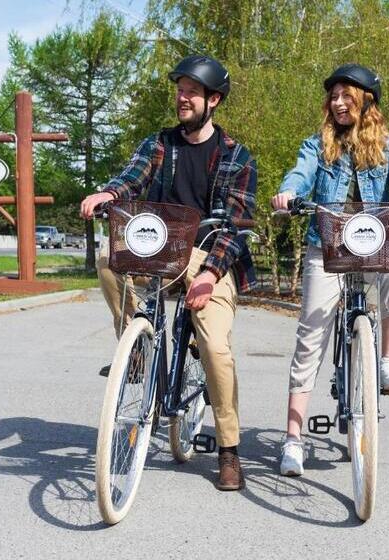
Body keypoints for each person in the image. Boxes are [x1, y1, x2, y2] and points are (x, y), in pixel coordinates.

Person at [80, 55, 258, 491]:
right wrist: (108, 192)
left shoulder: (236, 156)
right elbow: (132, 177)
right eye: (180, 89)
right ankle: (137, 345)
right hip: (158, 250)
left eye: (192, 91)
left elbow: (235, 226)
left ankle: (229, 450)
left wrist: (211, 275)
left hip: (208, 259)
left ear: (213, 100)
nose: (183, 97)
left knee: (215, 347)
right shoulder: (159, 144)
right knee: (107, 260)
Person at [270, 64, 389, 477]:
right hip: (326, 246)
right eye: (334, 96)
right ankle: (293, 439)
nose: (339, 102)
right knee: (311, 333)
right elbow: (301, 172)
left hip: (373, 242)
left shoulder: (388, 146)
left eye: (348, 95)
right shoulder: (317, 144)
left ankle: (388, 361)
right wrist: (290, 192)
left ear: (367, 101)